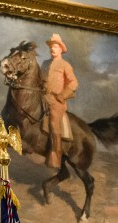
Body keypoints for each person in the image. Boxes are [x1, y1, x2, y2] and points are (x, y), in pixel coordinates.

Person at [44, 33, 78, 169]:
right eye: (51, 46)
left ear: (60, 49)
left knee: (53, 121)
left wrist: (62, 96)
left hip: (57, 101)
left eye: (55, 46)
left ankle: (55, 157)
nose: (53, 49)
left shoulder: (65, 65)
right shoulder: (45, 64)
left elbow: (74, 83)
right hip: (43, 96)